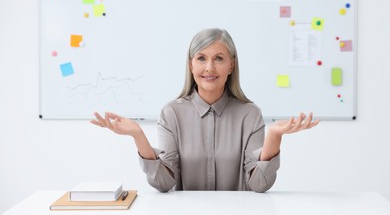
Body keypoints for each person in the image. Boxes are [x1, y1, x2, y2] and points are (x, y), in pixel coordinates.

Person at [90, 28, 319, 193]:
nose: (209, 67)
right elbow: (163, 183)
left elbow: (259, 184)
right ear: (191, 65)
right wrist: (138, 136)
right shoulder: (172, 114)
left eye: (219, 58)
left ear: (231, 65)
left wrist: (274, 137)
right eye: (201, 58)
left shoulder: (250, 114)